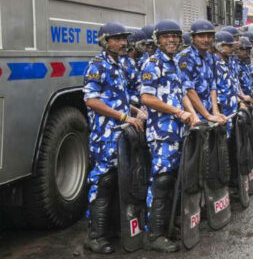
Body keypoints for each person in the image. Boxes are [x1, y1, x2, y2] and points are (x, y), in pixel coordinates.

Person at [83, 22, 145, 254]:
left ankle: (112, 230)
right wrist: (122, 116)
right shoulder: (97, 65)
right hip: (105, 135)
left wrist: (134, 110)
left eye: (123, 39)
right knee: (103, 181)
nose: (122, 43)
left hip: (120, 133)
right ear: (104, 42)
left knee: (119, 179)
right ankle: (95, 236)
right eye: (116, 39)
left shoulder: (119, 65)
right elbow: (92, 100)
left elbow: (118, 96)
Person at [140, 19, 196, 252]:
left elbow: (182, 92)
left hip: (179, 131)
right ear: (158, 40)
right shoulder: (152, 64)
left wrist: (192, 115)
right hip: (161, 133)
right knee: (161, 181)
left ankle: (166, 227)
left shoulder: (175, 64)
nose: (172, 40)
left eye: (175, 36)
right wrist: (178, 112)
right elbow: (147, 98)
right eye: (166, 36)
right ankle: (154, 235)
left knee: (174, 179)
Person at [176, 20, 227, 126]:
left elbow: (213, 85)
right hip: (193, 117)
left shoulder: (210, 57)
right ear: (193, 38)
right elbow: (188, 90)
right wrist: (207, 115)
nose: (206, 40)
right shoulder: (185, 57)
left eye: (209, 36)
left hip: (209, 114)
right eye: (201, 36)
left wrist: (215, 111)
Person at [212, 31, 241, 136]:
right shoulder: (213, 63)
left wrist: (240, 99)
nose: (232, 48)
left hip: (231, 110)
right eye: (228, 46)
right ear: (219, 46)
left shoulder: (227, 62)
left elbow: (234, 84)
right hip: (221, 111)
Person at [120, 29, 148, 107]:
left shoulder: (135, 62)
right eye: (142, 44)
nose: (145, 48)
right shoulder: (124, 65)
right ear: (132, 45)